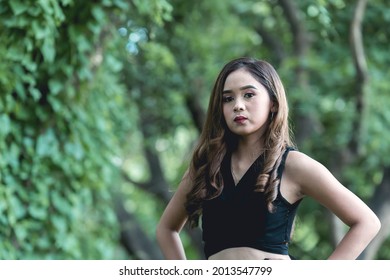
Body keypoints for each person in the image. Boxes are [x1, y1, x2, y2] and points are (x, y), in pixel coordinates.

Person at [156, 57, 381, 260]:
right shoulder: (205, 167)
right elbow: (166, 229)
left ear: (272, 102)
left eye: (249, 94)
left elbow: (367, 223)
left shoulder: (294, 165)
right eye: (227, 98)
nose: (238, 105)